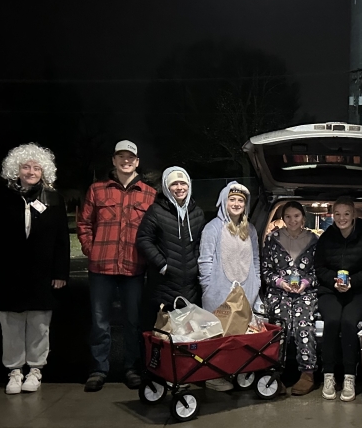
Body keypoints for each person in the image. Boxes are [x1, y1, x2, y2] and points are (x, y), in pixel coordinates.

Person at [0, 143, 70, 395]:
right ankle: (14, 371)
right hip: (10, 273)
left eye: (36, 168)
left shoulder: (54, 198)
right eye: (26, 167)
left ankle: (35, 370)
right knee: (11, 323)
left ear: (44, 172)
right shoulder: (3, 197)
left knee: (39, 324)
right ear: (16, 169)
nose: (31, 171)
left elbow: (62, 239)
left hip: (42, 274)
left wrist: (60, 273)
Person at [77, 140, 157, 393]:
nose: (126, 161)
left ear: (137, 161)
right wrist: (92, 250)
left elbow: (154, 231)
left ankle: (131, 368)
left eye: (130, 157)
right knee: (100, 322)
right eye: (121, 156)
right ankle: (99, 369)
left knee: (133, 321)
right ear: (113, 160)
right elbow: (84, 224)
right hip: (101, 268)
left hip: (134, 268)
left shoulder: (149, 193)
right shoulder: (97, 190)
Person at [314, 196, 362, 402]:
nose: (341, 218)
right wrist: (333, 282)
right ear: (333, 216)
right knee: (332, 321)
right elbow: (319, 267)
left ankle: (350, 377)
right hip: (330, 291)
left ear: (353, 215)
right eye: (338, 214)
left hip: (358, 291)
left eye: (346, 214)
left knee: (349, 322)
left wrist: (353, 282)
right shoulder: (326, 238)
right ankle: (329, 375)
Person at [199, 182, 261, 391]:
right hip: (218, 292)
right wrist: (208, 286)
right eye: (232, 199)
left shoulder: (250, 229)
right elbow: (205, 260)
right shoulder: (213, 228)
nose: (236, 203)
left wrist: (257, 283)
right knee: (219, 336)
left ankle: (239, 372)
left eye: (240, 200)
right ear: (224, 201)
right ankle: (214, 376)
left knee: (242, 335)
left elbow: (255, 260)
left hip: (245, 291)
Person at [261, 201, 319, 396]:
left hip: (305, 292)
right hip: (279, 292)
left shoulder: (314, 240)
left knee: (304, 325)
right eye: (288, 217)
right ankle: (275, 373)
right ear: (283, 219)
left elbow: (319, 271)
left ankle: (307, 373)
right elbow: (266, 270)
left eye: (296, 216)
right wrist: (279, 282)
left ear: (303, 217)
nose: (292, 220)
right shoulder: (272, 239)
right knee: (280, 326)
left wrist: (306, 282)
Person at [136, 166, 206, 312]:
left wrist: (196, 266)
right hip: (164, 284)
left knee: (189, 329)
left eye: (183, 183)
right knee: (165, 330)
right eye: (174, 184)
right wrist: (162, 265)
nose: (179, 188)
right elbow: (143, 239)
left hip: (190, 285)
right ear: (166, 187)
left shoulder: (197, 213)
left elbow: (201, 243)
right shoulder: (156, 211)